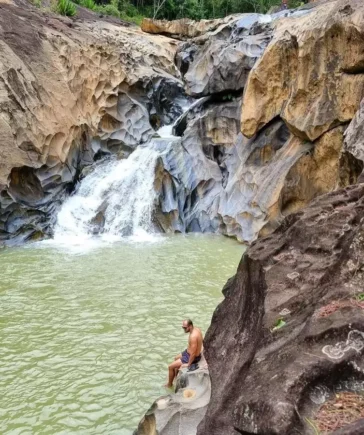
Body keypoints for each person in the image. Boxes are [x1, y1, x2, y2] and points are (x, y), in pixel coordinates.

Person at [165, 319, 203, 388]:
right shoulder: (197, 329)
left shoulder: (193, 337)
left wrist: (188, 364)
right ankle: (176, 377)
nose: (184, 329)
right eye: (183, 327)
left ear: (190, 326)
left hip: (190, 357)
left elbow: (193, 353)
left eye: (185, 328)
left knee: (170, 367)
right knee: (176, 358)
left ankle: (169, 385)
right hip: (188, 352)